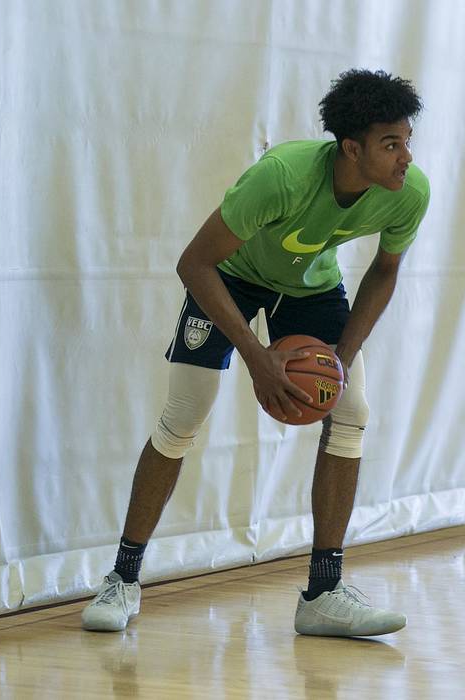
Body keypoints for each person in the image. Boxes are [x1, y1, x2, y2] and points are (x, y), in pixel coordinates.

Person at [82, 68, 430, 637]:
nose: (406, 157)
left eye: (407, 141)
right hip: (230, 277)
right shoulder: (281, 178)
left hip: (311, 286)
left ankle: (323, 592)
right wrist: (255, 356)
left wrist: (342, 355)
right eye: (392, 144)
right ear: (351, 148)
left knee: (352, 411)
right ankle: (123, 578)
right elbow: (193, 263)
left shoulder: (408, 192)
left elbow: (385, 271)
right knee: (182, 417)